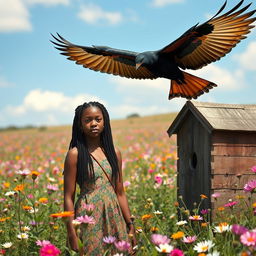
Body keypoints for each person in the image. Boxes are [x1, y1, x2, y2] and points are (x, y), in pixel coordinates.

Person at [63, 101, 136, 255]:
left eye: (98, 119)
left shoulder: (114, 153)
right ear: (80, 125)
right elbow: (68, 196)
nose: (93, 123)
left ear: (105, 122)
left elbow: (120, 192)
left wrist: (130, 224)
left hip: (113, 214)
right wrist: (71, 232)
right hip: (87, 216)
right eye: (88, 120)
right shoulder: (74, 155)